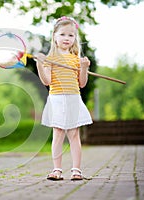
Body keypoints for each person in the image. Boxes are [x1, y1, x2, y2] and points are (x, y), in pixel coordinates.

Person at [36, 16, 93, 181]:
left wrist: (83, 67)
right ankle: (57, 170)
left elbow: (82, 83)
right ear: (54, 36)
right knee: (58, 134)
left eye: (71, 35)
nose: (67, 38)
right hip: (57, 99)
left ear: (75, 38)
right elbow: (46, 81)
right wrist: (40, 64)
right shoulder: (50, 59)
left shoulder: (76, 59)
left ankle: (76, 170)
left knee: (74, 134)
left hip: (74, 98)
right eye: (62, 34)